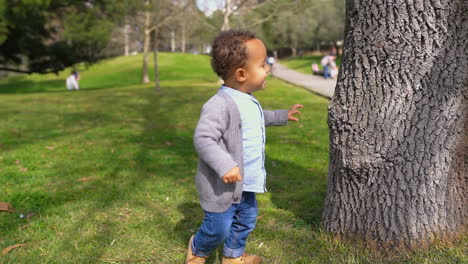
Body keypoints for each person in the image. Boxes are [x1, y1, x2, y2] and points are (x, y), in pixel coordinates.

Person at [186, 29, 303, 264]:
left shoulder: (248, 100)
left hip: (247, 181)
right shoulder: (219, 104)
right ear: (241, 74)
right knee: (218, 227)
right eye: (262, 65)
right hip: (222, 185)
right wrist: (225, 164)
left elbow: (258, 118)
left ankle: (233, 257)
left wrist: (282, 115)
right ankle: (197, 250)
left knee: (245, 221)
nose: (268, 68)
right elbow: (204, 138)